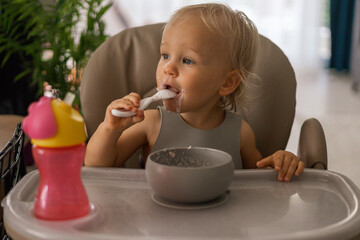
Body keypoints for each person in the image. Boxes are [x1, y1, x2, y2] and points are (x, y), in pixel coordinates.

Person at [84, 3, 304, 182]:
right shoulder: (150, 123)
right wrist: (109, 129)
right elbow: (97, 167)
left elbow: (259, 185)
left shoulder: (240, 134)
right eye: (165, 55)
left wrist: (280, 163)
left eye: (187, 60)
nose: (168, 68)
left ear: (227, 82)